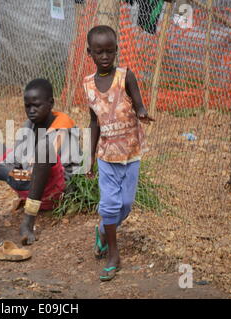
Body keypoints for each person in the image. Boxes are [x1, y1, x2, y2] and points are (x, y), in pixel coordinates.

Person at [0, 78, 81, 246]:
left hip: (53, 193)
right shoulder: (31, 124)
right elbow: (15, 163)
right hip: (25, 182)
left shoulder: (63, 128)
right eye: (28, 106)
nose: (31, 111)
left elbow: (28, 178)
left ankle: (28, 223)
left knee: (44, 149)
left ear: (51, 103)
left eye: (37, 106)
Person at [84, 25, 154, 281]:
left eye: (110, 51)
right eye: (99, 52)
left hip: (131, 152)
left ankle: (103, 231)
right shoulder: (88, 85)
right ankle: (114, 254)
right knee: (110, 204)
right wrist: (89, 157)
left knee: (125, 205)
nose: (105, 57)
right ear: (90, 52)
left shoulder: (126, 76)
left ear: (116, 50)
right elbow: (94, 122)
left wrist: (143, 112)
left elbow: (139, 103)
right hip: (106, 154)